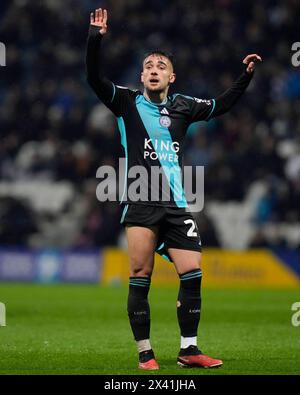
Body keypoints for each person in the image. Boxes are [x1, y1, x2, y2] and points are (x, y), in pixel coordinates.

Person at [86, 8, 262, 370]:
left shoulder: (184, 106)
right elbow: (92, 77)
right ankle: (145, 353)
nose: (153, 70)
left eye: (160, 66)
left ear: (172, 76)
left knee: (193, 271)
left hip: (177, 205)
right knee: (140, 274)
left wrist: (246, 76)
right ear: (141, 75)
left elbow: (222, 103)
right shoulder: (125, 102)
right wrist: (94, 39)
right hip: (140, 201)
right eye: (148, 65)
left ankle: (189, 349)